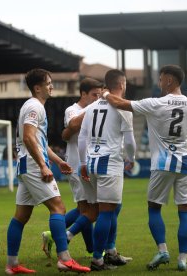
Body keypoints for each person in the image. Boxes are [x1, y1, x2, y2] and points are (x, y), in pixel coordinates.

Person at [102, 65, 187, 271]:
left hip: (162, 164)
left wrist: (104, 93)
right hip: (185, 163)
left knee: (154, 207)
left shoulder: (155, 104)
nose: (158, 83)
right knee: (185, 211)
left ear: (168, 80)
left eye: (160, 79)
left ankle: (163, 249)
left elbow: (119, 102)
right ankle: (182, 259)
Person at [5, 68, 90, 274]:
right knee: (58, 208)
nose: (52, 86)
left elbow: (38, 141)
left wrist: (59, 161)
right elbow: (28, 137)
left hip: (26, 165)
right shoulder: (35, 106)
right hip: (34, 166)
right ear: (37, 87)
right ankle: (65, 259)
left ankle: (12, 264)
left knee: (21, 216)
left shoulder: (31, 105)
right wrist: (43, 165)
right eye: (49, 83)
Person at [78, 69, 136, 271]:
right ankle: (97, 259)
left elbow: (82, 137)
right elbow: (129, 141)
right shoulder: (122, 108)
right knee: (105, 212)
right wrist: (131, 159)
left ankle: (110, 252)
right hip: (109, 163)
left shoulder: (92, 106)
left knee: (111, 210)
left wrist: (83, 163)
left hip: (92, 163)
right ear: (121, 85)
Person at [42, 78, 101, 258]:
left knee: (86, 210)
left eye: (100, 95)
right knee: (91, 210)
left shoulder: (97, 110)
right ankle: (93, 250)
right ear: (83, 94)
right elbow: (73, 126)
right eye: (94, 95)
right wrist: (94, 107)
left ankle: (55, 236)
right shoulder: (72, 109)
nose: (98, 98)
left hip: (89, 163)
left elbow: (67, 134)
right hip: (76, 165)